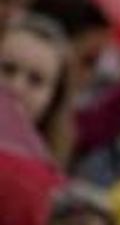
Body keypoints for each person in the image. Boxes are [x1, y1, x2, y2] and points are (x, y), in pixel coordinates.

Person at [0, 14, 73, 163]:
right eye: (8, 69)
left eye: (36, 80)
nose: (16, 87)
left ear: (53, 98)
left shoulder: (47, 175)